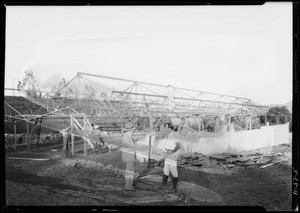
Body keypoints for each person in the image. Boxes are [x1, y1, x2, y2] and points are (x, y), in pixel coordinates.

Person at [121, 122, 138, 191]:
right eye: (133, 128)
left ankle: (129, 185)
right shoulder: (126, 137)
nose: (134, 130)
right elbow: (129, 147)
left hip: (129, 156)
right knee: (129, 172)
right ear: (131, 129)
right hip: (129, 156)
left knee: (130, 171)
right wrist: (135, 146)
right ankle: (128, 187)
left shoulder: (128, 136)